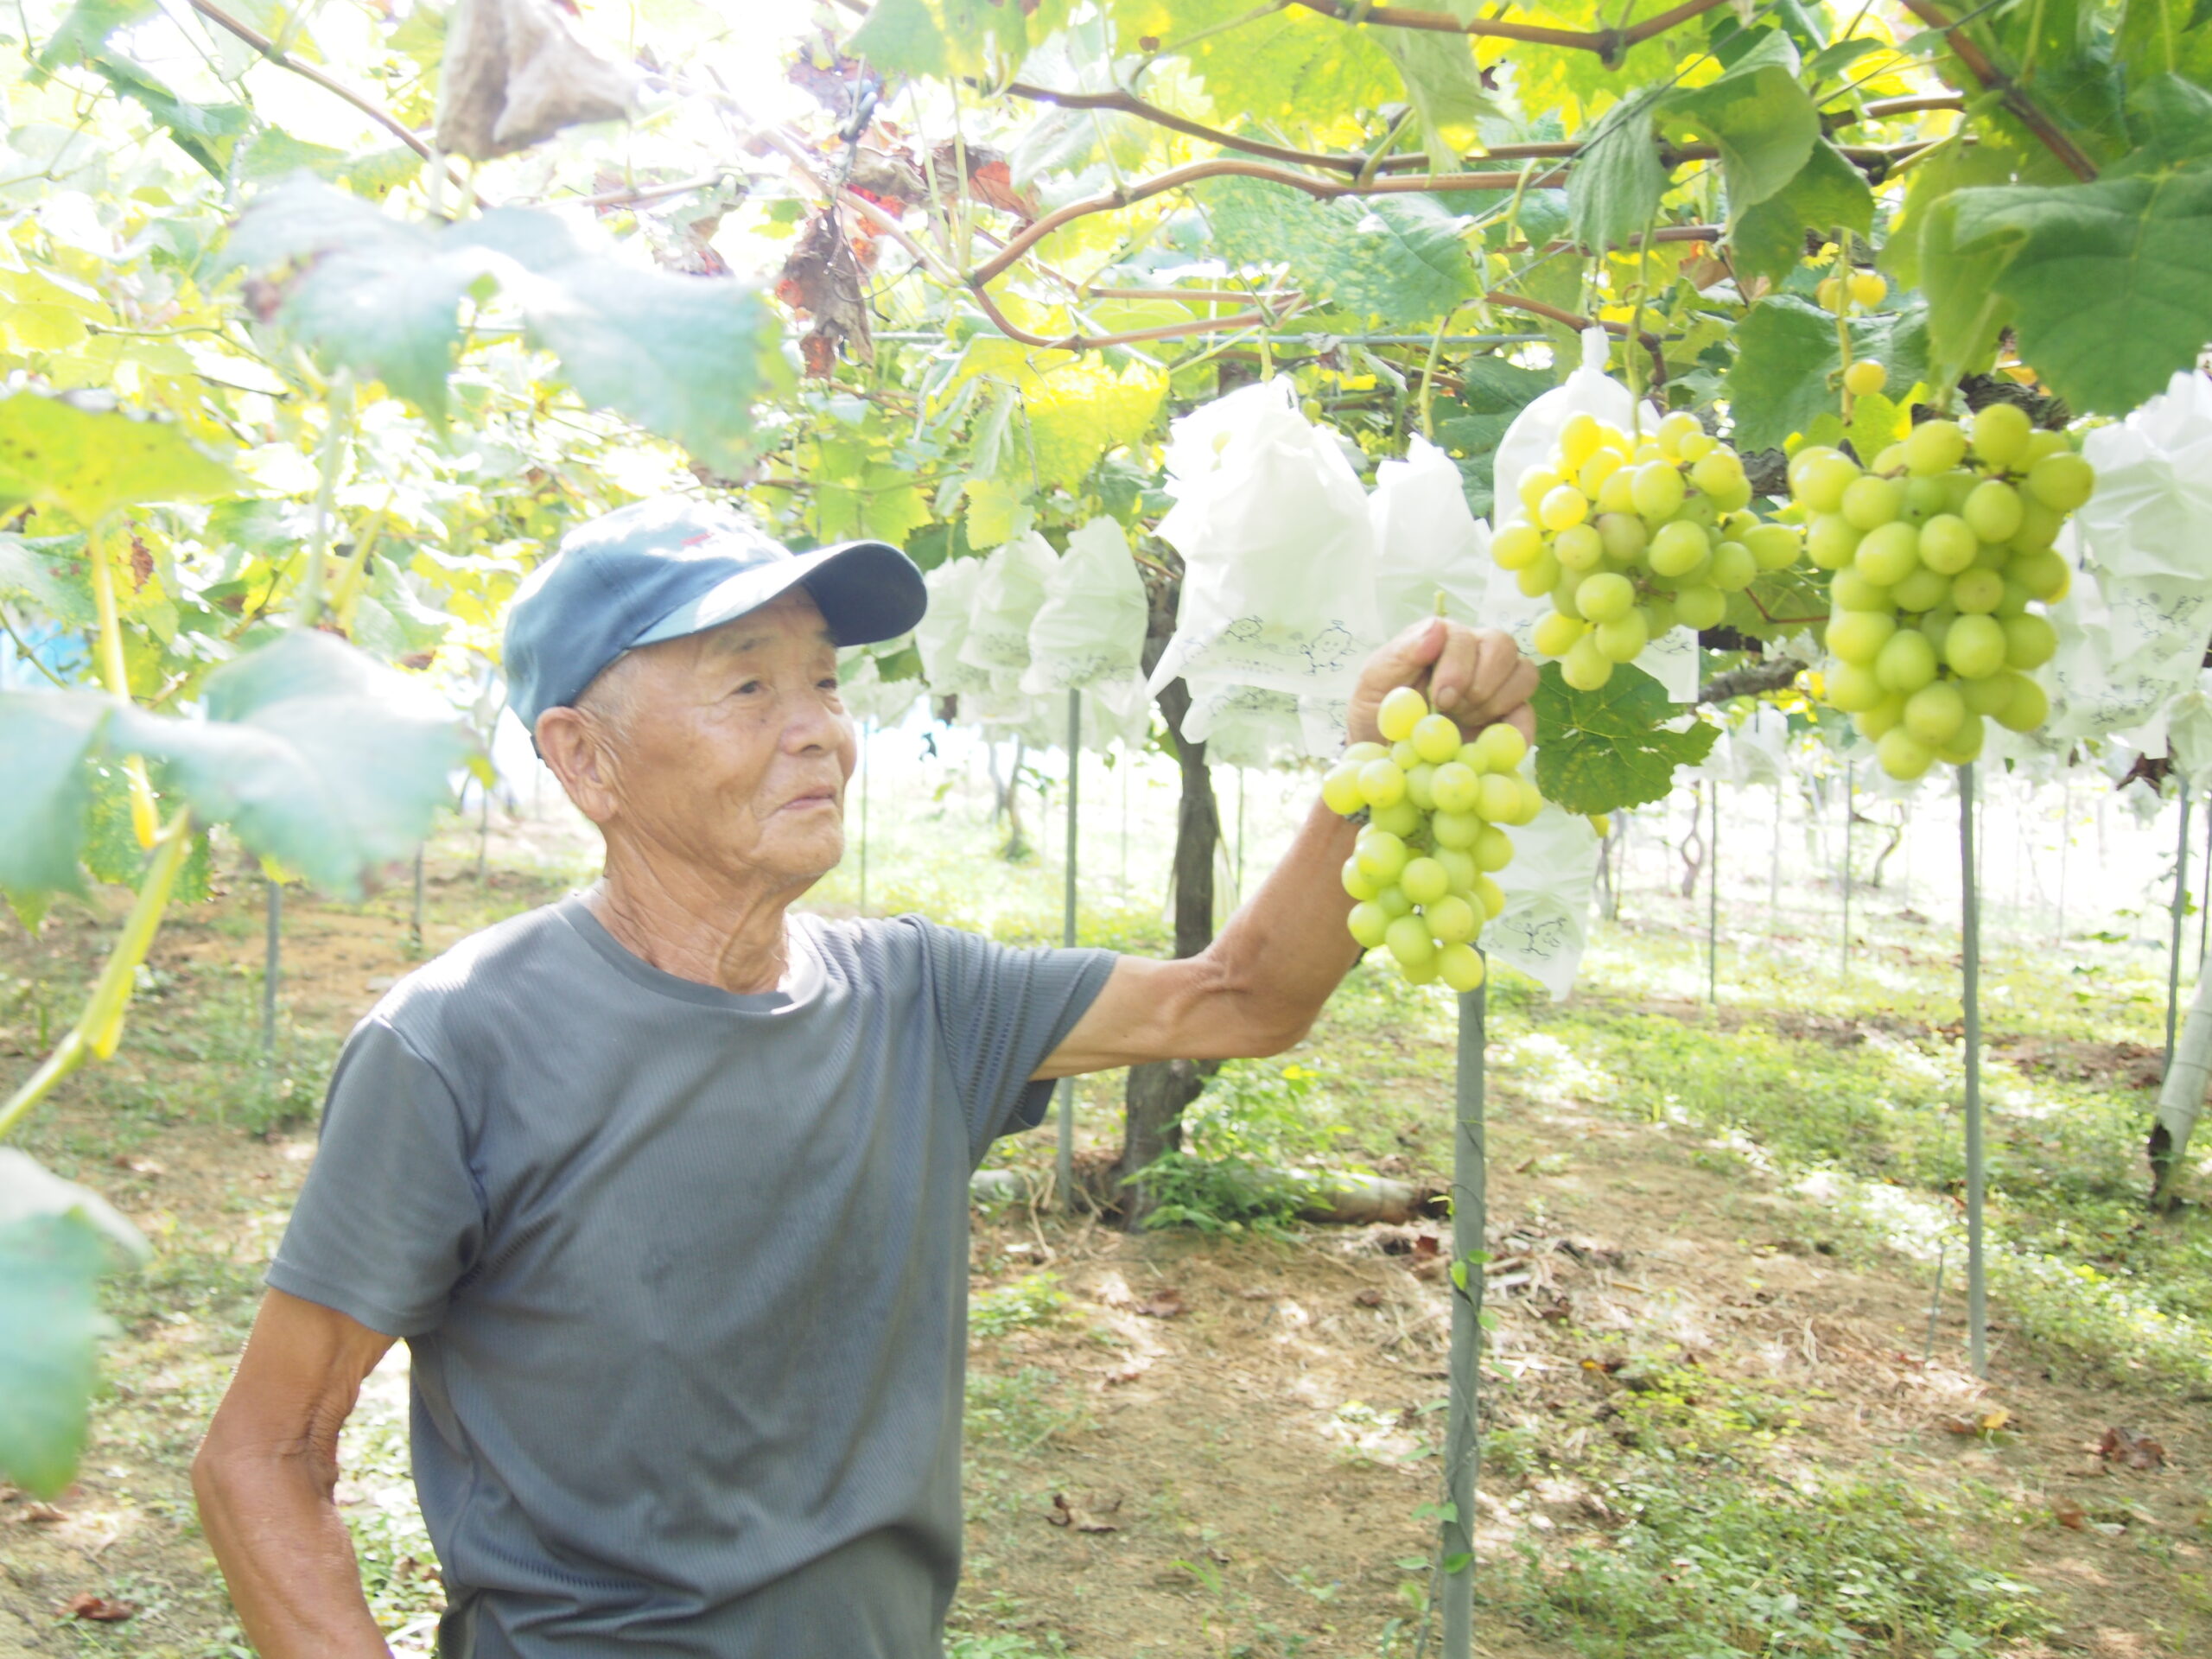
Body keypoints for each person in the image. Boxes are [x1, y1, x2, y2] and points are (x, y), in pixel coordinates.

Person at [192, 496, 1538, 1658]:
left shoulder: (917, 998)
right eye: (746, 686)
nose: (819, 732)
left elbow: (1246, 996)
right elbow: (262, 1453)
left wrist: (1383, 765)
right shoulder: (456, 1046)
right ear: (581, 759)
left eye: (826, 683)